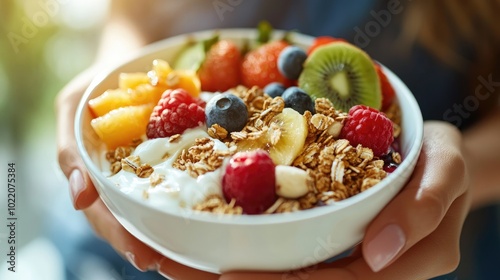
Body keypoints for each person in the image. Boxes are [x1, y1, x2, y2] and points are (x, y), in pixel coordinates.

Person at [56, 0, 500, 279]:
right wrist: (114, 71)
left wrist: (464, 165)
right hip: (107, 244)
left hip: (371, 241)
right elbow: (133, 10)